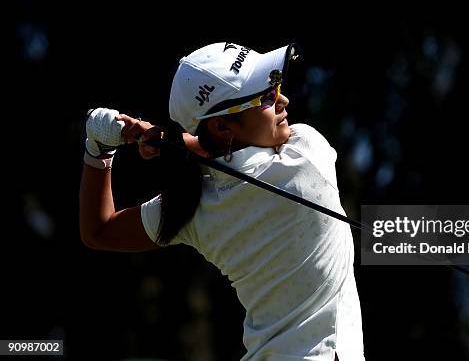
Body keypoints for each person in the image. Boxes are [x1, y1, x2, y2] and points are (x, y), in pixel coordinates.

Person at [79, 42, 365, 361]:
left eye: (277, 87)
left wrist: (99, 150)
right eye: (267, 96)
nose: (283, 100)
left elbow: (99, 230)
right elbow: (210, 151)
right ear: (222, 124)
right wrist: (164, 139)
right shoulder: (307, 155)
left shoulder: (190, 206)